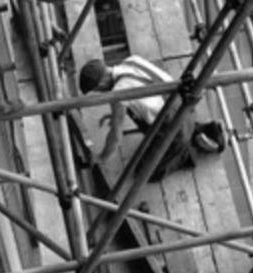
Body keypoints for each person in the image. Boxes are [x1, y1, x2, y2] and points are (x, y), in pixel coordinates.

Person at [78, 56, 223, 180]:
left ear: (101, 83)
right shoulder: (131, 60)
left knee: (145, 173)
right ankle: (201, 129)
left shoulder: (119, 93)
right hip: (185, 107)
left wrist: (101, 158)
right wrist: (116, 115)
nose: (100, 93)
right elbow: (146, 92)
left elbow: (116, 136)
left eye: (97, 90)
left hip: (176, 131)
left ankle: (187, 152)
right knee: (154, 117)